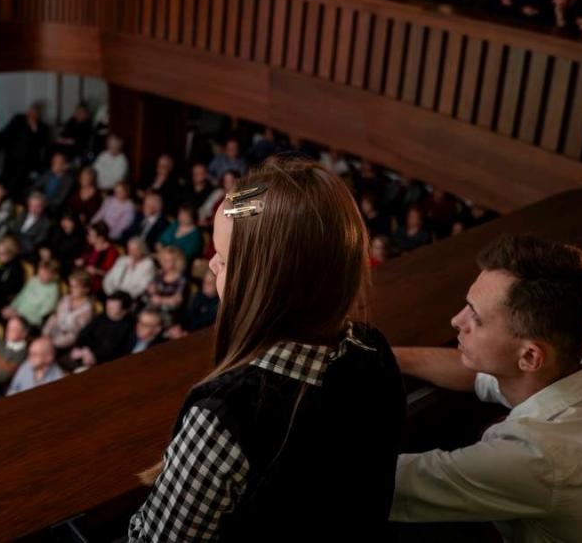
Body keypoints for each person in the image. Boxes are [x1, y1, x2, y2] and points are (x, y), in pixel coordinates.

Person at [130, 157, 406, 540]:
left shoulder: (224, 417)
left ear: (263, 284)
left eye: (223, 259)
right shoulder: (373, 350)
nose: (211, 267)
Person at [390, 235, 582, 541]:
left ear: (530, 357)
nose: (457, 320)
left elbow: (383, 486)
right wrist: (386, 354)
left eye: (476, 318)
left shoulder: (538, 458)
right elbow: (477, 375)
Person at [70, 291, 136, 368]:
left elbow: (113, 351)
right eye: (107, 306)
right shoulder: (102, 316)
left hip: (103, 364)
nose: (108, 309)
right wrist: (83, 349)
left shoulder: (129, 326)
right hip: (84, 353)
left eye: (112, 308)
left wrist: (92, 355)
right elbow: (84, 333)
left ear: (124, 310)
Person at [44, 270, 95, 351]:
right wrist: (46, 333)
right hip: (53, 333)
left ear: (86, 289)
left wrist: (51, 343)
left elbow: (75, 333)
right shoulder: (66, 298)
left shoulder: (87, 309)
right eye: (71, 286)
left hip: (66, 342)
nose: (71, 289)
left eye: (76, 287)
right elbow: (54, 317)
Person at [4, 257, 61, 329]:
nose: (41, 274)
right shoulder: (34, 280)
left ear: (53, 275)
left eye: (46, 273)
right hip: (17, 313)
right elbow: (21, 296)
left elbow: (42, 315)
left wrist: (19, 315)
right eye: (40, 271)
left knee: (13, 325)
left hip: (31, 321)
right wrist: (12, 307)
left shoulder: (53, 291)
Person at [171, 266, 219, 337]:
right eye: (205, 281)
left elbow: (204, 324)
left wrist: (187, 333)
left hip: (198, 335)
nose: (205, 285)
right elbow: (188, 313)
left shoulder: (217, 304)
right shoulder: (199, 295)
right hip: (185, 331)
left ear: (217, 284)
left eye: (210, 283)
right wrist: (180, 326)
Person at [146, 245, 188, 324]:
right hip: (152, 308)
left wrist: (161, 300)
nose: (164, 262)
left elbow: (177, 301)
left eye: (168, 260)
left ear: (177, 262)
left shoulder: (181, 280)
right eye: (163, 259)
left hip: (167, 313)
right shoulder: (159, 274)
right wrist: (151, 290)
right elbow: (150, 290)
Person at [32, 152, 76, 217]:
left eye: (59, 162)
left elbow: (60, 200)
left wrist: (43, 202)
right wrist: (36, 196)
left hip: (52, 208)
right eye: (54, 161)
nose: (55, 164)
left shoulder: (68, 180)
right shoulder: (49, 173)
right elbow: (36, 185)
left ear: (64, 164)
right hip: (39, 201)